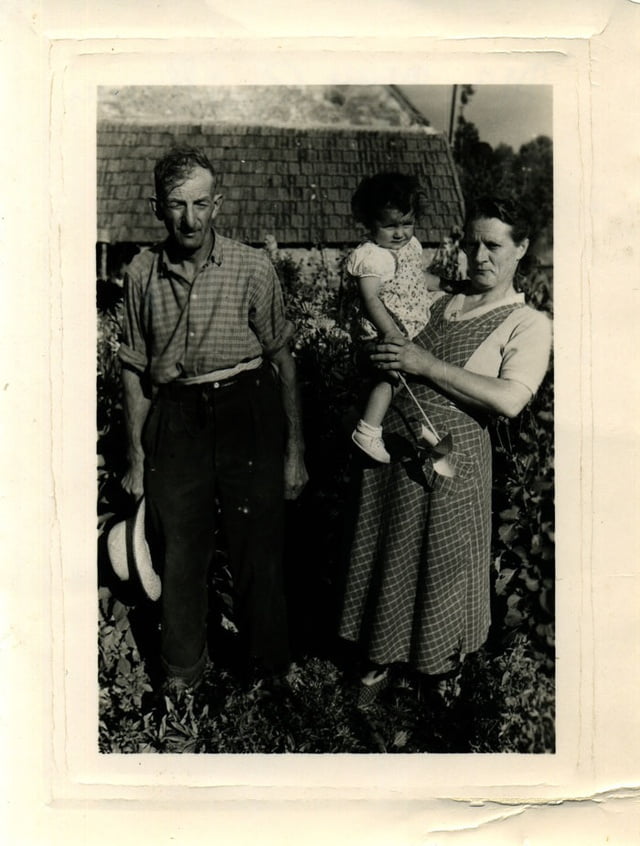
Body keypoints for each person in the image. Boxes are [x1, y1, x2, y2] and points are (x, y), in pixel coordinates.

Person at [338, 196, 552, 706]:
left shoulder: (528, 323)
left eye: (494, 245)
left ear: (521, 248)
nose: (479, 256)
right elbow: (381, 326)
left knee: (441, 564)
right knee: (389, 552)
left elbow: (509, 399)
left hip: (452, 462)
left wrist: (424, 364)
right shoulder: (441, 299)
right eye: (472, 242)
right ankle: (377, 663)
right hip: (394, 447)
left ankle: (435, 674)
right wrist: (376, 347)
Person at [118, 146, 308, 695]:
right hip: (175, 417)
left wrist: (295, 452)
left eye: (202, 204)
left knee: (258, 547)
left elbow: (283, 361)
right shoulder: (139, 274)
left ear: (218, 203)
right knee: (179, 552)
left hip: (247, 409)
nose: (191, 219)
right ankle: (183, 678)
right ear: (157, 207)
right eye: (177, 205)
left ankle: (270, 672)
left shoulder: (252, 266)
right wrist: (136, 457)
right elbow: (133, 370)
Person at [347, 172, 443, 463]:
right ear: (369, 224)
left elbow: (416, 278)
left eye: (407, 223)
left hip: (405, 323)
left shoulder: (409, 246)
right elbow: (371, 299)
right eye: (389, 226)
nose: (400, 233)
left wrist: (446, 284)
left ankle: (387, 423)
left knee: (404, 376)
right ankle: (367, 429)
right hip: (382, 325)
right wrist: (390, 332)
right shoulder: (372, 256)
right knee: (390, 375)